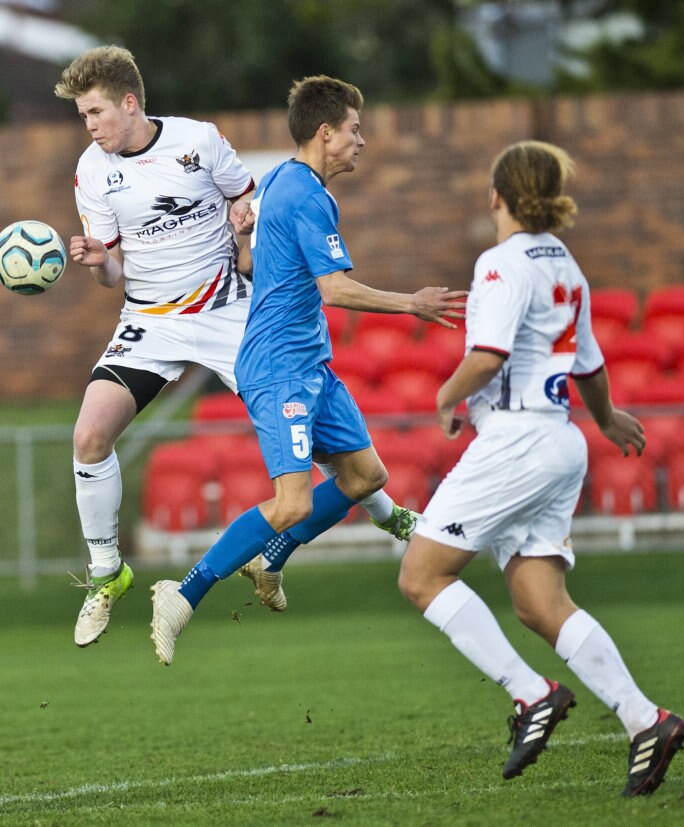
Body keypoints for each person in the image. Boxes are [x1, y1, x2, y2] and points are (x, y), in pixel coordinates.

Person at [54, 47, 417, 649]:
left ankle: (388, 511)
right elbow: (111, 272)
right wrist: (99, 262)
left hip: (226, 307)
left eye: (94, 112)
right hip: (149, 317)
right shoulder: (92, 171)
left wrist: (243, 229)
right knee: (90, 436)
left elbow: (244, 205)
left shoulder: (199, 142)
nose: (89, 126)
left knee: (305, 410)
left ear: (129, 101)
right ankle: (105, 574)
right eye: (82, 117)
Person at [397, 141, 684, 797]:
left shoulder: (500, 265)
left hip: (516, 440)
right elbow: (586, 361)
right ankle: (648, 719)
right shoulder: (566, 263)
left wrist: (446, 396)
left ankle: (531, 694)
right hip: (559, 441)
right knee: (539, 602)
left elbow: (490, 353)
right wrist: (608, 417)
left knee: (421, 575)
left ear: (495, 196)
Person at [149, 75, 468, 665]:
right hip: (278, 367)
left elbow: (251, 263)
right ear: (326, 133)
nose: (361, 142)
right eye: (354, 130)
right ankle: (182, 592)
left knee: (365, 476)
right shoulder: (305, 195)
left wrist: (244, 240)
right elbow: (334, 288)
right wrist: (412, 304)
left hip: (310, 364)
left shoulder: (279, 184)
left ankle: (269, 556)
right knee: (291, 502)